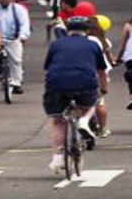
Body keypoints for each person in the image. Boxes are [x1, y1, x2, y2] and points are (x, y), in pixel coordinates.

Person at [42, 17, 108, 174]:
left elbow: (48, 66)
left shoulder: (57, 44)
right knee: (91, 103)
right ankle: (85, 120)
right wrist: (103, 88)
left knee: (58, 121)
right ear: (86, 31)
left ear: (68, 30)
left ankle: (57, 157)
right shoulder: (93, 44)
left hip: (56, 84)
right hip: (84, 84)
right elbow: (101, 71)